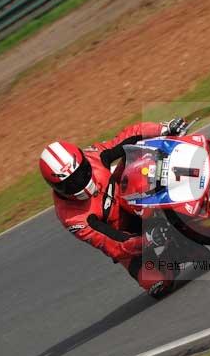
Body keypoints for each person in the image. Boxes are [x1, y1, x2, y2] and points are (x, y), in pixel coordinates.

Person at [39, 118, 186, 297]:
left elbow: (128, 136)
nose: (81, 183)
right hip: (126, 235)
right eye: (71, 183)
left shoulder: (94, 156)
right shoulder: (72, 218)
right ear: (57, 188)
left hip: (133, 195)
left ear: (83, 160)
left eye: (82, 173)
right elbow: (113, 243)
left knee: (143, 154)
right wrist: (148, 239)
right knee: (158, 283)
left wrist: (163, 128)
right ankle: (171, 251)